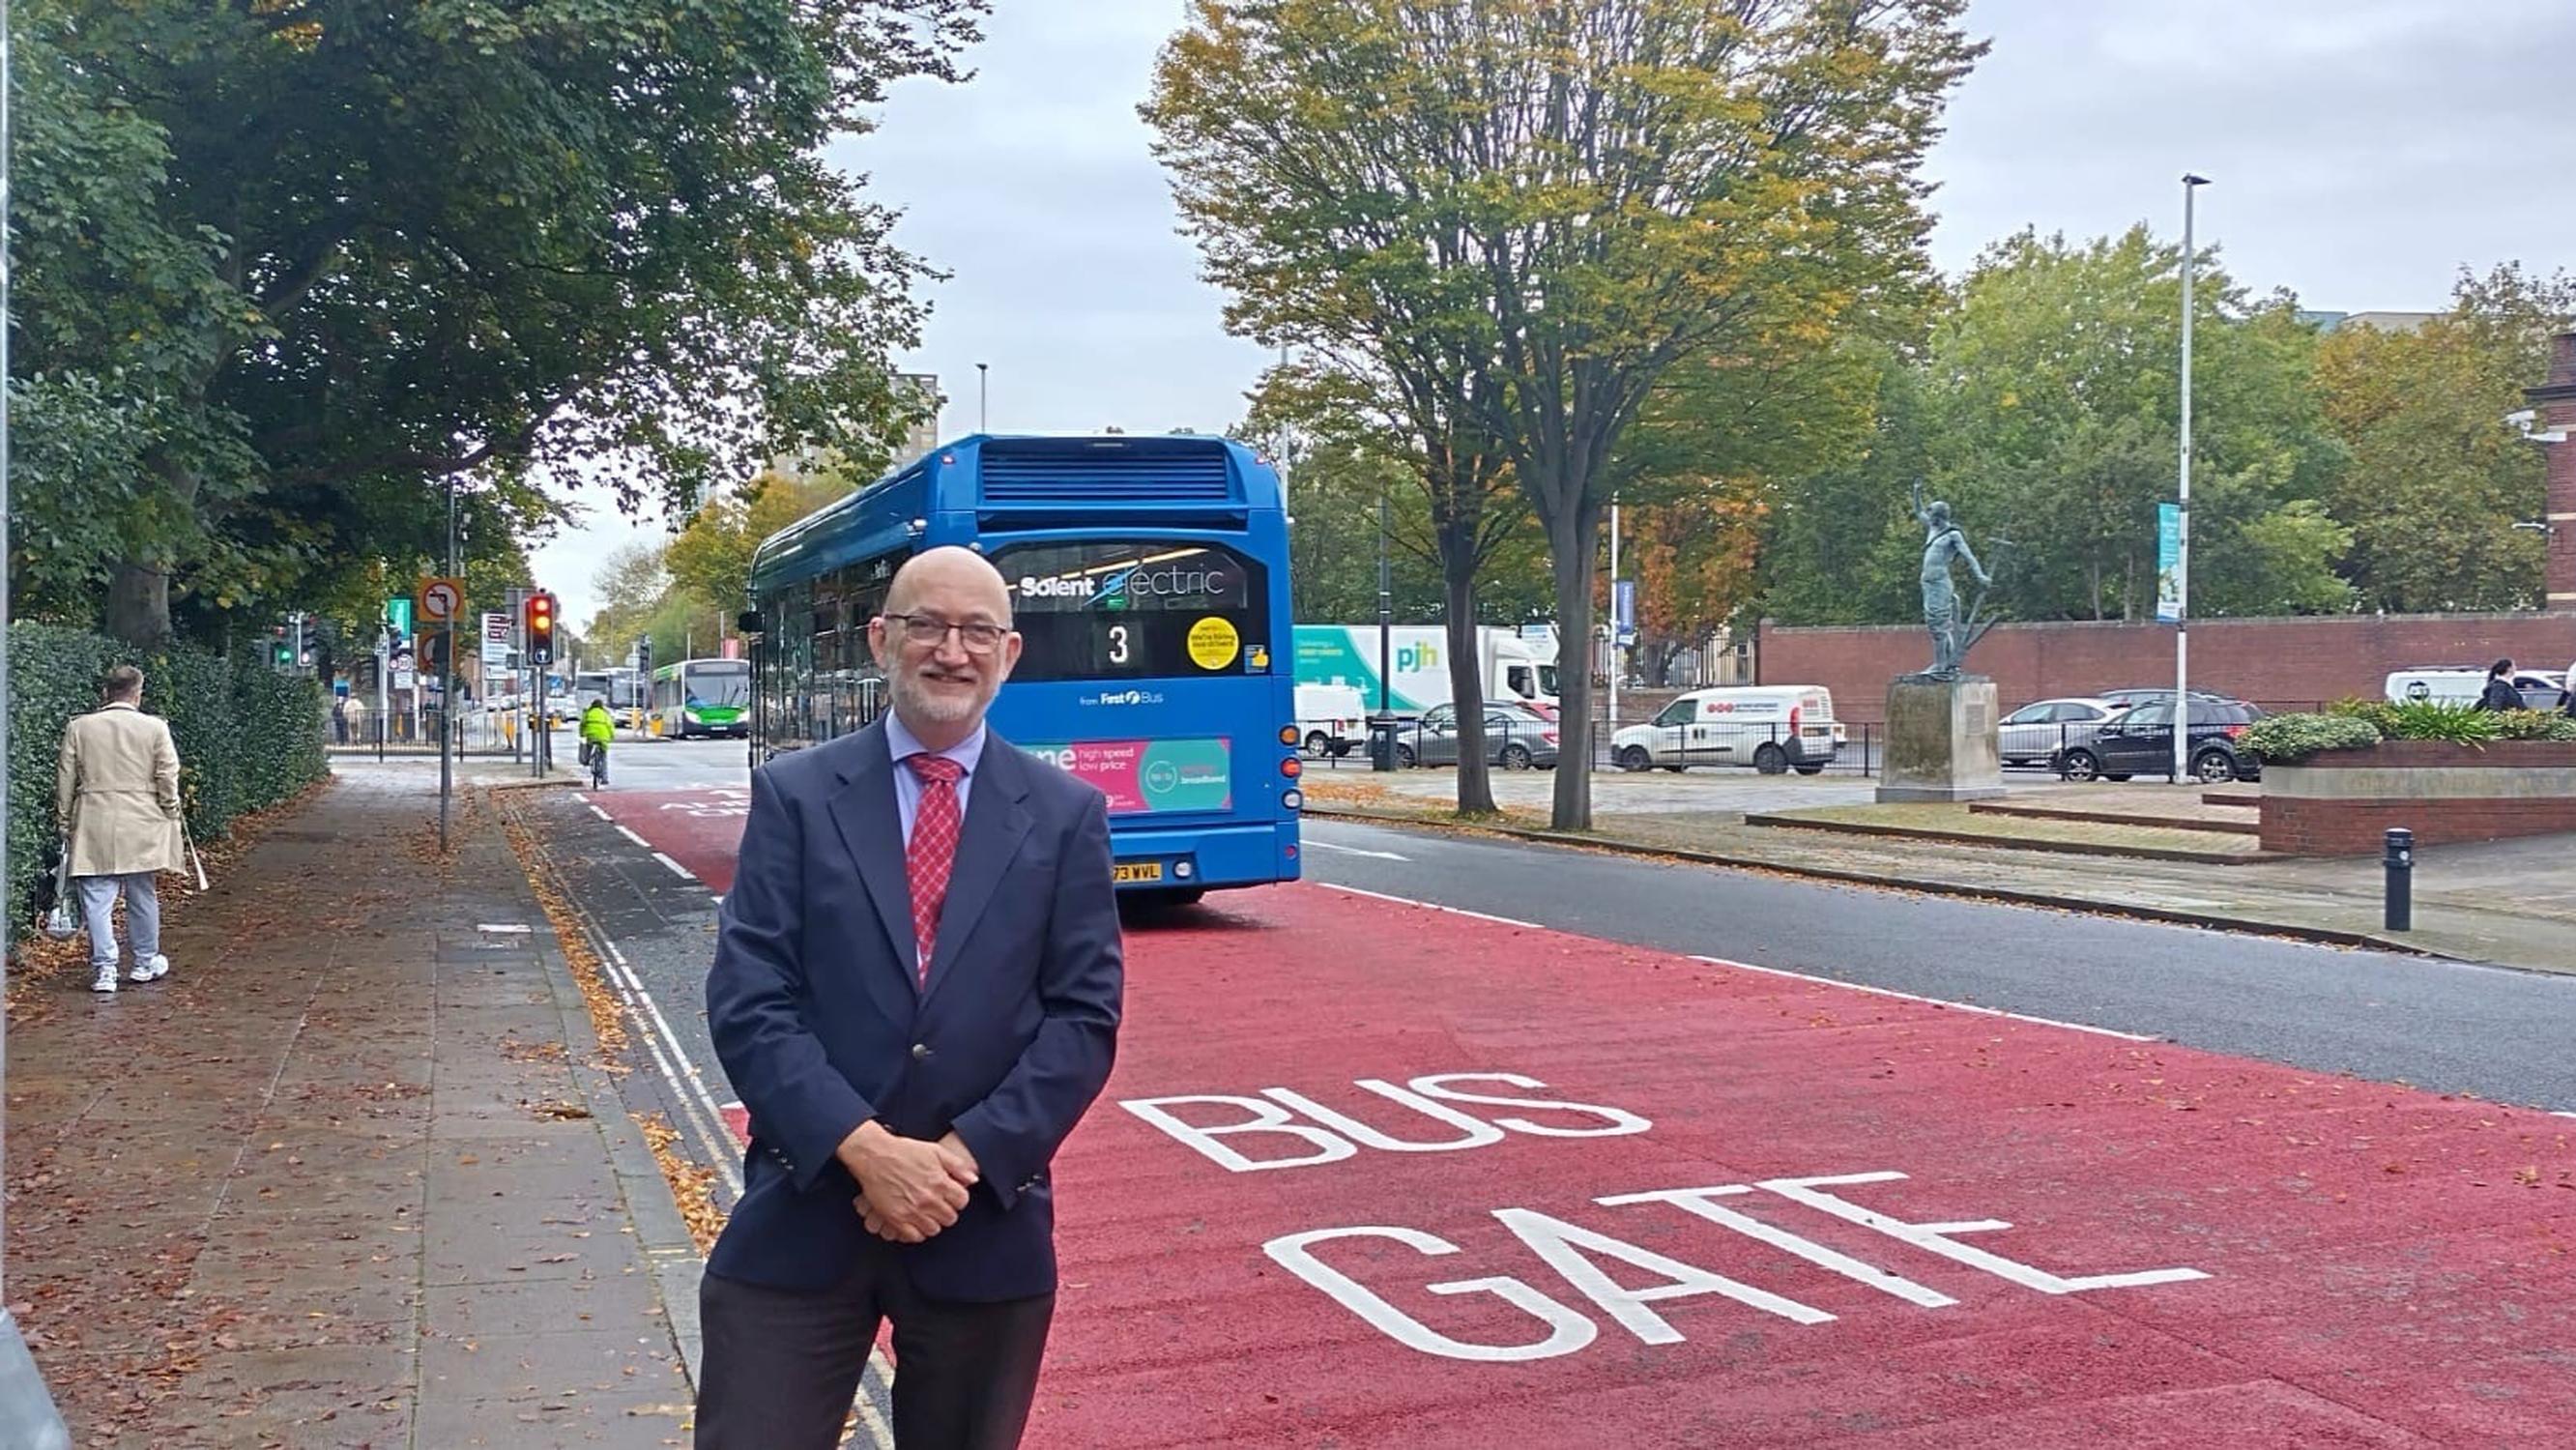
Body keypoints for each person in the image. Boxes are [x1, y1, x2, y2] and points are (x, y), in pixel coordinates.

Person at [696, 546, 1122, 1450]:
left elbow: (1082, 1021)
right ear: (881, 639)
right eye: (927, 625)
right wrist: (868, 1153)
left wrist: (955, 1160)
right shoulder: (797, 796)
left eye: (976, 631)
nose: (950, 651)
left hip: (981, 1222)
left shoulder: (1065, 814)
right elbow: (749, 997)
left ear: (1009, 655)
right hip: (806, 1212)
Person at [55, 665, 186, 995]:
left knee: (97, 897)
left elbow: (66, 778)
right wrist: (170, 809)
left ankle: (105, 969)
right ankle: (144, 961)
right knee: (142, 891)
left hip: (94, 816)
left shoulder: (79, 727)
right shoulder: (155, 728)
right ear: (137, 692)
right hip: (142, 818)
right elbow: (167, 774)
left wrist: (64, 820)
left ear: (105, 692)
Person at [579, 696, 615, 781]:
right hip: (603, 736)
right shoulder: (605, 714)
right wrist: (611, 736)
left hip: (591, 735)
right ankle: (604, 778)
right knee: (603, 757)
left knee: (588, 747)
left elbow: (582, 725)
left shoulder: (588, 713)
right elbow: (610, 726)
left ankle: (586, 760)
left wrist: (582, 734)